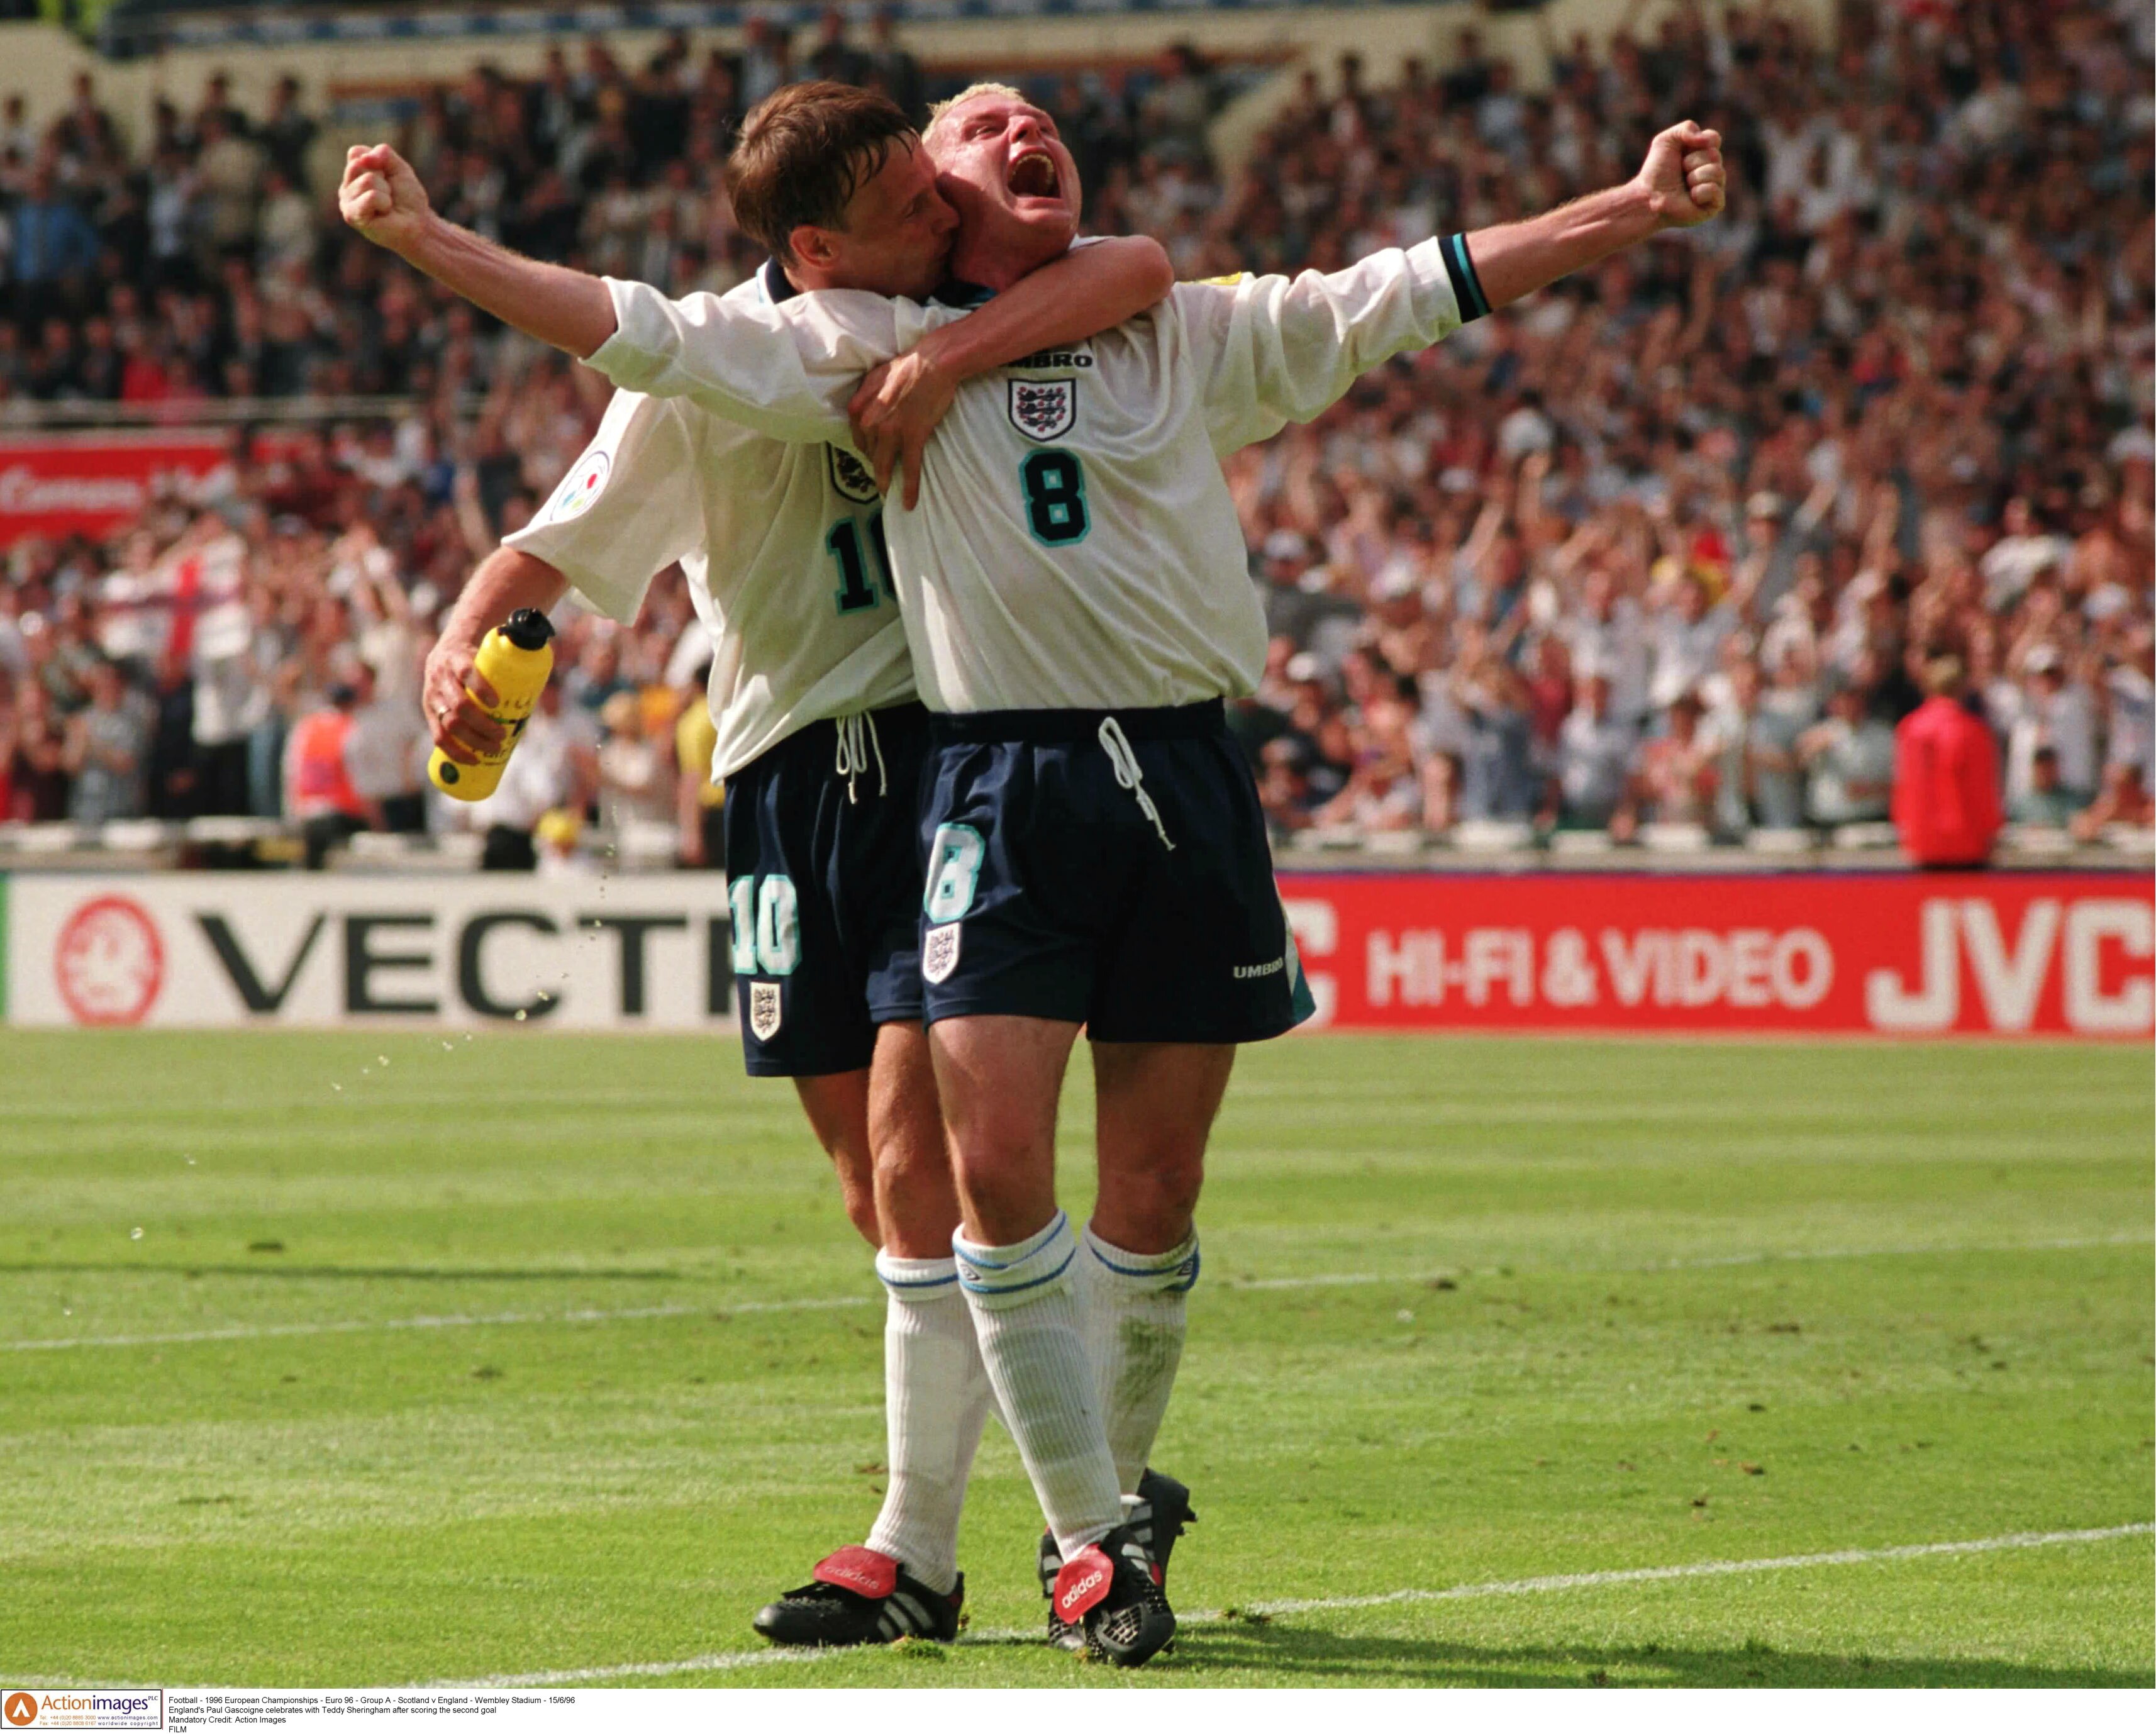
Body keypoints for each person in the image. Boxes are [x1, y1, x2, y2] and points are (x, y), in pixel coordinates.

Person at [342, 81, 1723, 1665]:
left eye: (1016, 129)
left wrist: (1624, 209)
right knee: (904, 1180)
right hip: (869, 766)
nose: (986, 166)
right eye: (956, 152)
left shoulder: (1113, 319)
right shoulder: (804, 349)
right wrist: (432, 255)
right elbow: (620, 368)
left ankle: (1036, 1525)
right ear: (856, 225)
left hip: (1043, 758)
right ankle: (1005, 1531)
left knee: (1056, 1175)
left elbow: (1278, 283)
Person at [344, 84, 1177, 1654]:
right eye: (909, 204)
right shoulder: (718, 359)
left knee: (931, 1143)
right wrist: (461, 633)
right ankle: (1035, 1493)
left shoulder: (976, 312)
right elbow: (562, 537)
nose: (943, 218)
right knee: (878, 1185)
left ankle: (1023, 1521)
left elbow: (1129, 269)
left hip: (939, 755)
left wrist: (946, 342)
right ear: (814, 243)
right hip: (785, 776)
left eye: (942, 199)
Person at [1892, 655, 2002, 867]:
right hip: (1968, 841)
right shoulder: (1973, 731)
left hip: (1922, 840)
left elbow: (1904, 786)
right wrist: (1991, 830)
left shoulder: (1910, 728)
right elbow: (1983, 790)